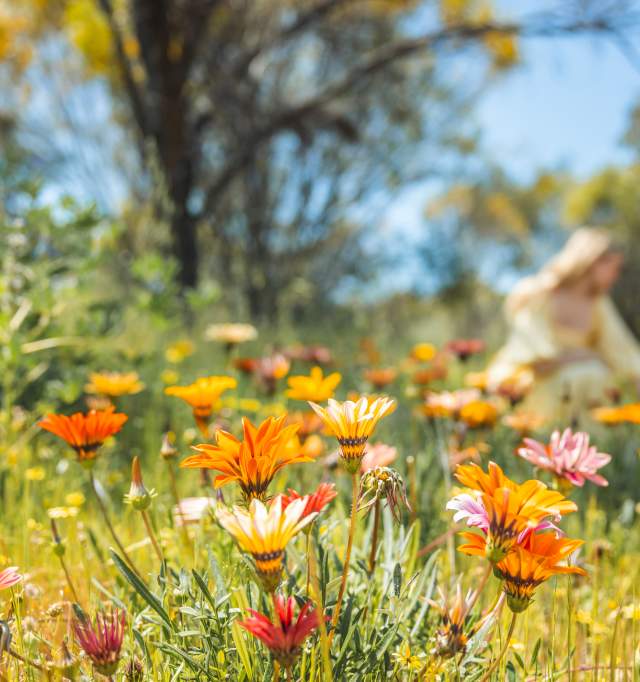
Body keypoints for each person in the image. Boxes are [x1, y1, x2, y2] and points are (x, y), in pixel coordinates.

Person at [487, 228, 640, 424]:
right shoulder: (540, 294)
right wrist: (581, 356)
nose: (616, 275)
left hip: (578, 384)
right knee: (589, 373)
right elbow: (536, 360)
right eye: (614, 267)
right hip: (531, 382)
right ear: (594, 261)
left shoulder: (598, 303)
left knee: (595, 374)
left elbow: (621, 348)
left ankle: (590, 447)